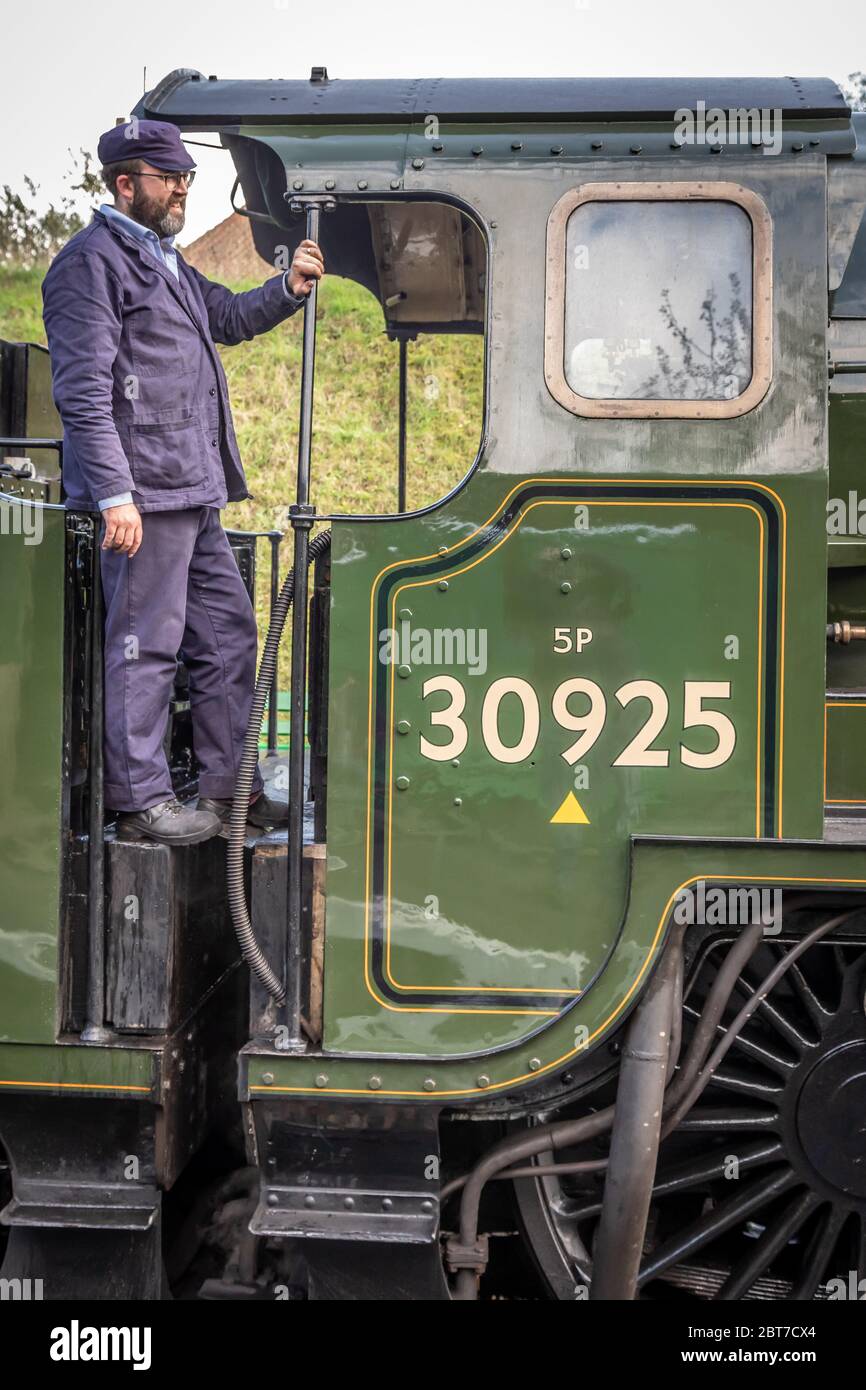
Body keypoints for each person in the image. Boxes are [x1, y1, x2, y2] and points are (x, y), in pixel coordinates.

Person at [42, 118, 325, 844]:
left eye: (186, 180)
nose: (182, 192)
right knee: (147, 643)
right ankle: (140, 802)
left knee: (228, 636)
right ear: (125, 183)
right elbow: (82, 392)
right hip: (143, 495)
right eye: (170, 181)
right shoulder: (90, 265)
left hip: (190, 489)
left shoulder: (163, 259)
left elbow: (226, 315)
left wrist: (287, 287)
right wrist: (114, 495)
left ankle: (233, 791)